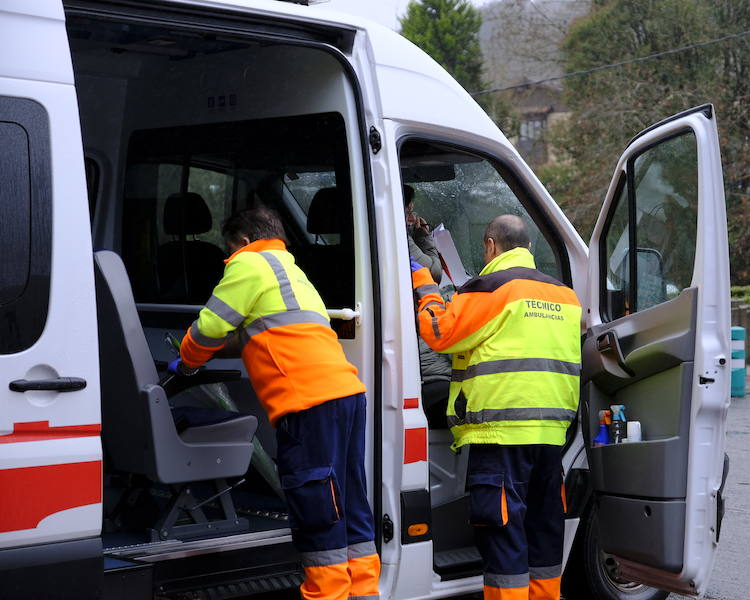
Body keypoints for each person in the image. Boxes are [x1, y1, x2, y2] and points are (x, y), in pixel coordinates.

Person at [173, 206, 380, 600]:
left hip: (307, 402)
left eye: (229, 248)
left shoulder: (247, 266)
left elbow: (209, 328)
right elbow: (264, 331)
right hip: (345, 395)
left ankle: (328, 594)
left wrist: (185, 362)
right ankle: (364, 592)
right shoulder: (291, 271)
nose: (228, 257)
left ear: (244, 242)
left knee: (317, 504)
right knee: (349, 499)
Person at [410, 215, 581, 600]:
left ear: (490, 246)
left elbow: (440, 332)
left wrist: (426, 288)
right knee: (545, 532)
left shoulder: (490, 288)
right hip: (552, 436)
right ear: (529, 249)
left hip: (501, 434)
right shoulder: (565, 296)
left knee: (503, 536)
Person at [404, 184, 452, 426]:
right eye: (409, 211)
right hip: (427, 371)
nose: (413, 218)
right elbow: (432, 272)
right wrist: (422, 236)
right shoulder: (399, 238)